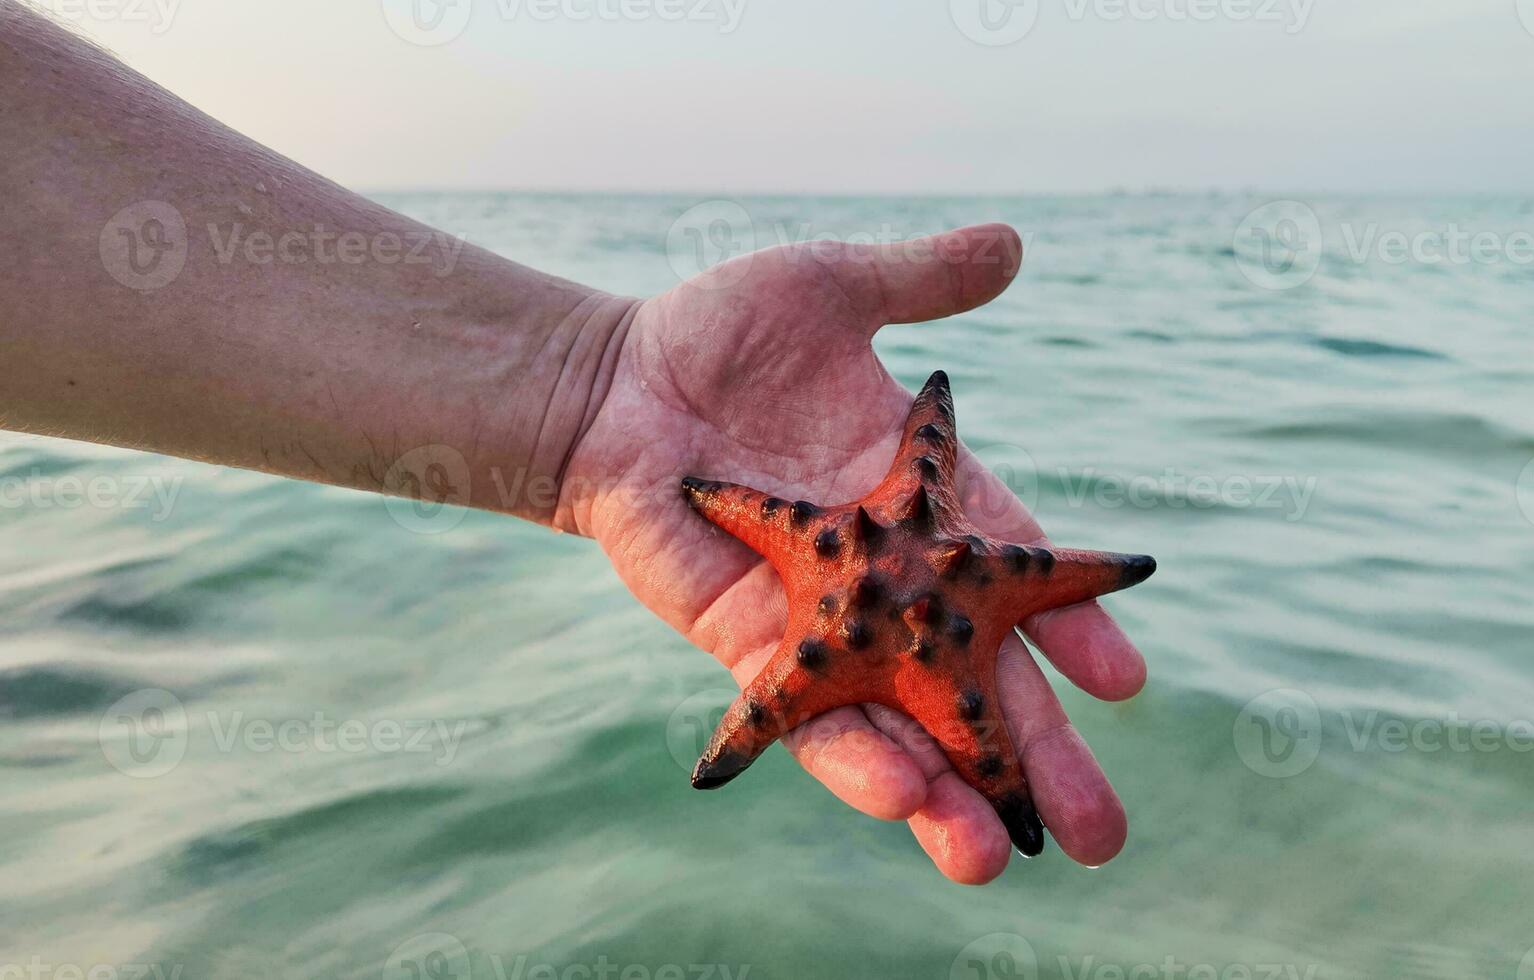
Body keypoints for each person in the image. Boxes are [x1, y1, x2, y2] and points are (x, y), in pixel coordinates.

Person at [0, 1, 1148, 885]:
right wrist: (598, 401)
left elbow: (861, 534)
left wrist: (589, 390)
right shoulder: (917, 548)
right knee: (957, 754)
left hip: (855, 597)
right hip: (875, 592)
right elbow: (807, 514)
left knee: (903, 737)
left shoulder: (885, 550)